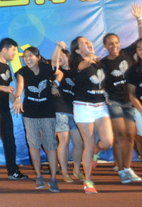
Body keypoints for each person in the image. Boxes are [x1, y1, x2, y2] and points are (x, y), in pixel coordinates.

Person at [99, 4, 142, 183]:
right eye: (111, 44)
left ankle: (128, 168)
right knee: (120, 134)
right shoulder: (102, 63)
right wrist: (104, 96)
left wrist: (139, 19)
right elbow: (99, 82)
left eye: (116, 43)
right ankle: (122, 171)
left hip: (128, 101)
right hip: (114, 102)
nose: (114, 46)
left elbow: (141, 40)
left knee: (130, 135)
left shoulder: (126, 53)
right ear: (105, 46)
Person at [11, 46, 61, 192]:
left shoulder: (46, 69)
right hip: (30, 113)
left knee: (50, 145)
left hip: (47, 111)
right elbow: (20, 84)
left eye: (31, 56)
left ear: (38, 58)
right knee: (33, 144)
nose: (27, 59)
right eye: (25, 56)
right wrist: (18, 98)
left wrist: (55, 85)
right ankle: (38, 176)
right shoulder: (22, 72)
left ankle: (53, 178)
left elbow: (59, 72)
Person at [69, 36, 113, 194]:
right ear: (77, 50)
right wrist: (89, 58)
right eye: (84, 43)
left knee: (107, 141)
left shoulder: (98, 63)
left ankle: (96, 151)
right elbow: (82, 65)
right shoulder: (76, 63)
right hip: (83, 107)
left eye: (89, 42)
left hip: (101, 107)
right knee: (89, 143)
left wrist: (105, 94)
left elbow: (101, 83)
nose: (89, 44)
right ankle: (88, 180)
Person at [0, 38, 28, 180]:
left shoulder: (7, 67)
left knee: (10, 141)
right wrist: (3, 88)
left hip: (4, 109)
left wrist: (17, 100)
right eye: (13, 50)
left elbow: (8, 89)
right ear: (4, 49)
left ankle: (13, 171)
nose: (14, 53)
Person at [51, 42, 83, 182]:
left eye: (62, 56)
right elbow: (54, 63)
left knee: (79, 142)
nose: (59, 58)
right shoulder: (56, 72)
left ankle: (77, 170)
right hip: (60, 110)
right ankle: (64, 172)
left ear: (68, 57)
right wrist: (58, 48)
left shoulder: (75, 72)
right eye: (58, 56)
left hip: (75, 111)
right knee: (63, 141)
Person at [125, 37, 142, 179]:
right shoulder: (134, 70)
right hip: (139, 108)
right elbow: (131, 93)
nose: (141, 51)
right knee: (139, 138)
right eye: (139, 48)